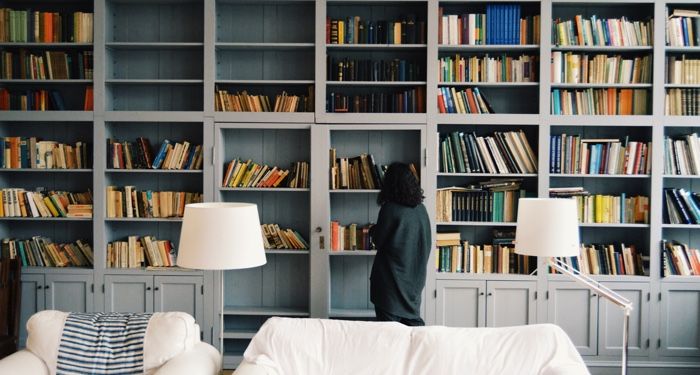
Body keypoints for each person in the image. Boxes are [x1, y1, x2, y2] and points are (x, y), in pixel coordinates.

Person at [369, 162, 431, 326]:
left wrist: (372, 230)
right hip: (414, 283)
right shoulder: (421, 209)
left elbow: (378, 240)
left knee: (390, 338)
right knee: (414, 333)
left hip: (390, 283)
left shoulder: (390, 208)